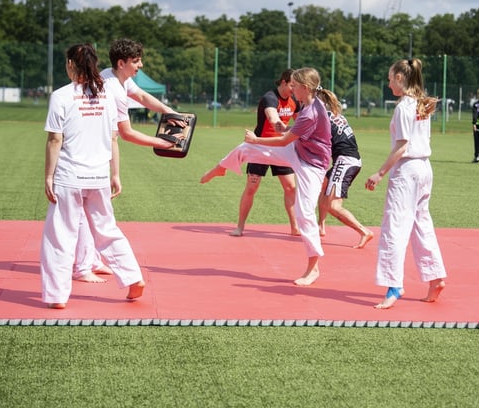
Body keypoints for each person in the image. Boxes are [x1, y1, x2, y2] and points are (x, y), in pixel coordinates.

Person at [201, 67, 331, 286]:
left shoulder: (311, 111)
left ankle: (313, 267)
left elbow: (283, 141)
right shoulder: (311, 104)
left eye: (295, 86)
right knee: (245, 149)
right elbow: (292, 133)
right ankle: (222, 167)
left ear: (305, 88)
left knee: (304, 212)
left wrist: (257, 140)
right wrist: (279, 130)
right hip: (299, 151)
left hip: (312, 165)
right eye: (291, 85)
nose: (292, 89)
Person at [72, 38, 185, 283]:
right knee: (89, 213)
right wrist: (163, 143)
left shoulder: (115, 77)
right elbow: (126, 134)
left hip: (94, 149)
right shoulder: (112, 90)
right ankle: (82, 267)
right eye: (136, 61)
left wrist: (170, 113)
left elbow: (143, 97)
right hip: (88, 153)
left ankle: (90, 261)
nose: (141, 65)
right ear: (121, 63)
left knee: (94, 211)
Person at [41, 43, 145, 309]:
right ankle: (132, 276)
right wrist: (115, 174)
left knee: (60, 236)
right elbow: (114, 138)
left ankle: (56, 297)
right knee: (107, 231)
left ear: (70, 64)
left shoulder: (61, 96)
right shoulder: (107, 95)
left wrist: (49, 177)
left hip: (68, 177)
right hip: (98, 176)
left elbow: (55, 140)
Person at [364, 58, 447, 309]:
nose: (389, 84)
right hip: (424, 169)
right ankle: (435, 278)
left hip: (408, 171)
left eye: (391, 79)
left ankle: (394, 285)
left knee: (395, 226)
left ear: (400, 77)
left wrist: (379, 173)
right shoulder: (422, 104)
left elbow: (402, 146)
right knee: (422, 224)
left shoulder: (404, 107)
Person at [230, 69, 301, 237]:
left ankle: (295, 227)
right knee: (252, 187)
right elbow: (273, 118)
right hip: (260, 148)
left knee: (291, 187)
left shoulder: (295, 100)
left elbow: (300, 122)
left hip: (281, 148)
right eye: (292, 85)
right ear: (283, 82)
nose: (294, 89)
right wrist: (281, 126)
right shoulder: (270, 97)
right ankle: (240, 227)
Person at [315, 88, 374, 249]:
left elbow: (304, 132)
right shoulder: (336, 115)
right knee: (324, 184)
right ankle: (320, 226)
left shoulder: (322, 116)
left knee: (334, 206)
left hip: (345, 161)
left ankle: (363, 231)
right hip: (350, 160)